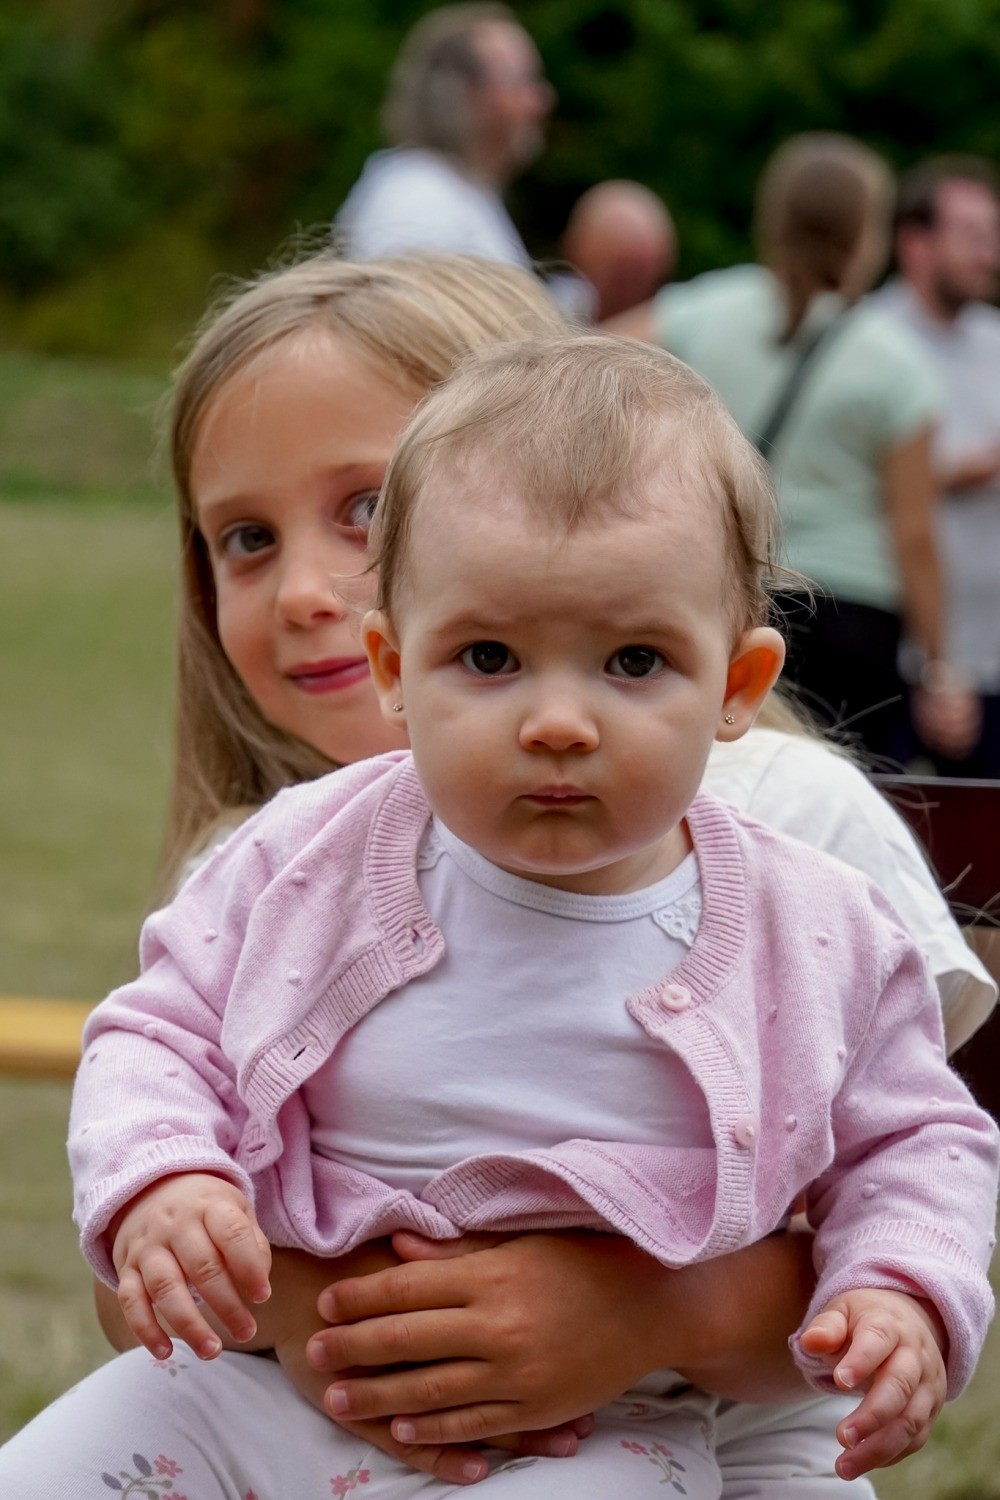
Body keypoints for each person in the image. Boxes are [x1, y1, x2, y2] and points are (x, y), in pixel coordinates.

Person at [1, 253, 992, 1499]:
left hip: (620, 1425)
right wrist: (167, 1185)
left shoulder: (809, 898)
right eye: (488, 656)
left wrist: (896, 1288)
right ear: (396, 662)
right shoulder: (287, 855)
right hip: (257, 1395)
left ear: (737, 683)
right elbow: (157, 1036)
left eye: (631, 660)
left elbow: (914, 1136)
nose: (557, 722)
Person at [607, 133, 978, 767]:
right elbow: (914, 535)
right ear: (868, 235)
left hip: (731, 595)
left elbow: (586, 357)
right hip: (853, 620)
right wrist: (941, 666)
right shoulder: (898, 363)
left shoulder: (703, 310)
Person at [876, 156, 1000, 777]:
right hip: (895, 658)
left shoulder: (995, 340)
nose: (990, 255)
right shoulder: (870, 339)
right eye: (973, 235)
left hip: (990, 656)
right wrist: (952, 473)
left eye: (993, 236)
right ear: (915, 243)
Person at [336, 4, 552, 269]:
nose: (540, 100)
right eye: (521, 81)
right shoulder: (417, 200)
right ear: (463, 93)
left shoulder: (458, 190)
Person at [561, 179, 677, 321]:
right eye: (619, 278)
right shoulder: (551, 313)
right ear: (577, 254)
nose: (629, 292)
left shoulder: (671, 320)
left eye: (639, 277)